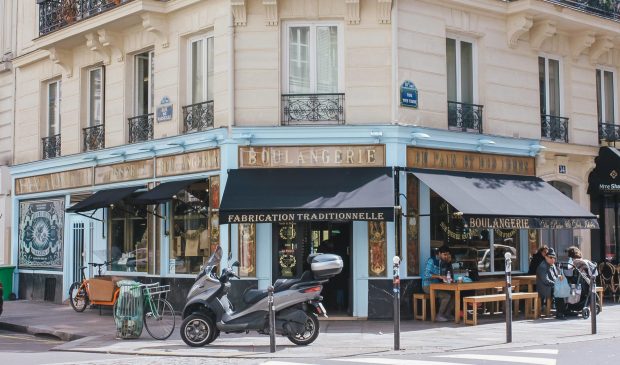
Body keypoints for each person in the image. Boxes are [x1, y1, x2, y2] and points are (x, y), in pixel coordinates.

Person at [422, 245, 454, 322]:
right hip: (427, 286)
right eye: (444, 254)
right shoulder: (431, 260)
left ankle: (447, 314)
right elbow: (426, 274)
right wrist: (439, 276)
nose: (446, 256)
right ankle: (439, 315)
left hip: (438, 286)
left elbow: (449, 274)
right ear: (439, 253)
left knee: (453, 294)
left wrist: (449, 263)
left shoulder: (443, 262)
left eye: (447, 255)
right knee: (446, 296)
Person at [535, 248, 567, 320]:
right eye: (550, 257)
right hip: (544, 288)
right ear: (546, 257)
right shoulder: (543, 266)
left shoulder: (553, 265)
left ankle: (567, 310)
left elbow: (556, 277)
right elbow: (545, 280)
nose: (553, 259)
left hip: (550, 286)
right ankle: (560, 313)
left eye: (554, 258)